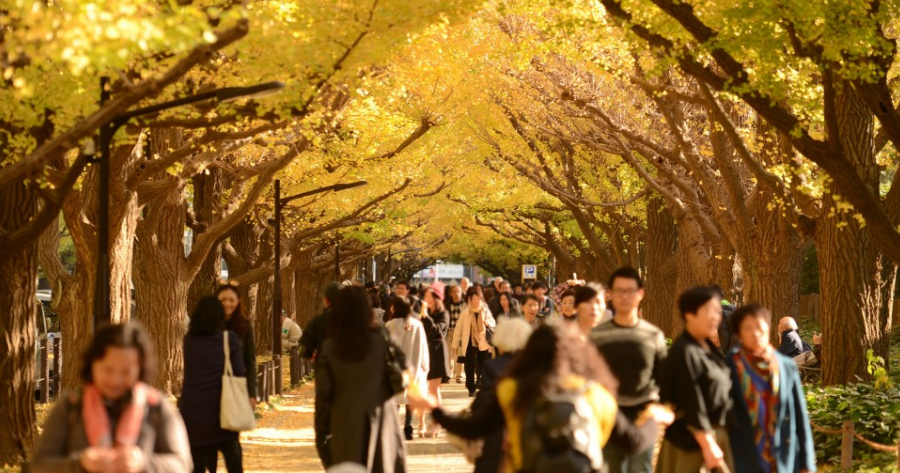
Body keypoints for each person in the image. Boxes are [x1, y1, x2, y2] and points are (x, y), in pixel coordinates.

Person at [409, 323, 672, 473]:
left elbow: (474, 427)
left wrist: (436, 410)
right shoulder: (595, 394)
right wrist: (653, 418)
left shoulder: (513, 389)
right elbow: (633, 441)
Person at [31, 323, 192, 473]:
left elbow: (182, 464)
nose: (116, 380)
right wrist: (79, 463)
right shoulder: (70, 405)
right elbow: (39, 465)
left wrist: (143, 463)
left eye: (126, 372)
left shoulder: (156, 406)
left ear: (140, 368)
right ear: (92, 364)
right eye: (108, 370)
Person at [316, 286, 407, 472]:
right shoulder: (381, 340)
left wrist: (322, 438)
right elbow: (401, 379)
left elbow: (323, 399)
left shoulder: (329, 349)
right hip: (383, 425)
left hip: (345, 429)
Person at [590, 268, 666, 473]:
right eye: (619, 291)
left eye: (630, 291)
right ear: (610, 295)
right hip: (608, 416)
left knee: (640, 469)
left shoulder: (653, 335)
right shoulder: (597, 336)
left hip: (644, 417)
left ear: (640, 294)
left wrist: (662, 411)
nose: (625, 296)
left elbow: (663, 379)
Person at [727, 304, 817, 473]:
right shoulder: (730, 367)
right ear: (739, 333)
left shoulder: (786, 367)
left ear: (768, 329)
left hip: (782, 457)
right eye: (748, 328)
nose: (755, 333)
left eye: (760, 327)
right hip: (743, 455)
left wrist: (807, 464)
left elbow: (799, 418)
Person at [656, 286, 734, 473]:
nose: (715, 317)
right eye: (709, 311)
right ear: (689, 314)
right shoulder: (684, 352)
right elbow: (691, 404)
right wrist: (708, 445)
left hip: (715, 437)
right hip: (692, 444)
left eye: (717, 311)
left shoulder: (707, 348)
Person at [181, 296, 247, 473]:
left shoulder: (189, 340)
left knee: (197, 458)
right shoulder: (228, 339)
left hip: (193, 407)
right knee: (231, 451)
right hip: (221, 405)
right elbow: (238, 372)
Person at [384, 295, 430, 440]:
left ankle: (393, 427)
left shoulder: (389, 325)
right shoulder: (417, 325)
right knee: (411, 396)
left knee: (395, 397)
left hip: (395, 367)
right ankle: (408, 426)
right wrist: (424, 366)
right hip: (414, 366)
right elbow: (423, 347)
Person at [216, 283, 257, 407]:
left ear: (238, 301)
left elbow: (250, 361)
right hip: (212, 386)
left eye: (231, 300)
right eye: (223, 300)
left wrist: (252, 393)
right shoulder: (209, 324)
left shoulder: (244, 326)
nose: (227, 304)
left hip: (236, 384)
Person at [451, 287, 496, 397]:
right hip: (469, 343)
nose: (476, 301)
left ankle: (481, 384)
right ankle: (471, 388)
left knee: (482, 366)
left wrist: (488, 323)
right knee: (469, 366)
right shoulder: (465, 313)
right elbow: (458, 329)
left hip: (483, 342)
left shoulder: (485, 310)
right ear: (469, 300)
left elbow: (493, 321)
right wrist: (455, 344)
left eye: (478, 299)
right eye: (473, 299)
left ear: (481, 299)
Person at [421, 284, 451, 437]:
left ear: (437, 299)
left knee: (434, 389)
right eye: (426, 297)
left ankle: (436, 422)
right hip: (423, 353)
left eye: (430, 297)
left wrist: (425, 317)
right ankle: (425, 423)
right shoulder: (422, 313)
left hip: (437, 354)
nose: (427, 300)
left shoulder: (443, 314)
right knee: (423, 390)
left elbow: (437, 331)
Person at [299, 281, 343, 359]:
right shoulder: (358, 322)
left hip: (326, 368)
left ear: (326, 300)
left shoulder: (317, 323)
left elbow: (303, 351)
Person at [446, 284, 467, 384]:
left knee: (460, 353)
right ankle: (449, 374)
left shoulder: (465, 305)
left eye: (458, 291)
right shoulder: (446, 305)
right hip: (449, 330)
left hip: (462, 331)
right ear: (450, 293)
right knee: (449, 353)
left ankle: (459, 375)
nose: (456, 293)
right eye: (454, 291)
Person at [711, 285, 737, 353]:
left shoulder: (720, 313)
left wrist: (725, 352)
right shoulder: (734, 308)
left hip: (730, 351)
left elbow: (724, 334)